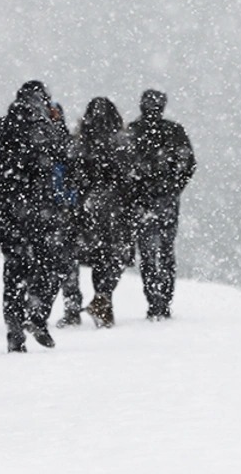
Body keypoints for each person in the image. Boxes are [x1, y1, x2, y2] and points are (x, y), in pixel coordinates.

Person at [0, 81, 68, 352]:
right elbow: (65, 158)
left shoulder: (0, 127)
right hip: (42, 212)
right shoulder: (45, 128)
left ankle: (15, 327)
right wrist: (58, 125)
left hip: (10, 213)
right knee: (50, 267)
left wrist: (6, 196)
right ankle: (37, 314)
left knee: (14, 270)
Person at [127, 89, 196, 320]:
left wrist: (134, 190)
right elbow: (188, 164)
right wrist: (174, 188)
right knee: (165, 251)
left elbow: (122, 168)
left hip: (142, 202)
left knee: (148, 254)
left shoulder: (132, 132)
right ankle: (163, 300)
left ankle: (154, 300)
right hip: (166, 201)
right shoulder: (174, 132)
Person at [71, 97, 137, 328]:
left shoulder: (79, 143)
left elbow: (75, 177)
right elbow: (130, 179)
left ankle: (102, 302)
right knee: (114, 257)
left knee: (99, 257)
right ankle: (103, 298)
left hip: (89, 208)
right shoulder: (122, 143)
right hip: (116, 209)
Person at [48, 102, 82, 328]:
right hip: (61, 209)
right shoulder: (69, 144)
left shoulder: (49, 143)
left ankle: (67, 309)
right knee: (66, 263)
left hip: (57, 209)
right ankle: (70, 308)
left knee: (59, 262)